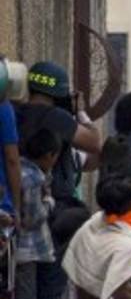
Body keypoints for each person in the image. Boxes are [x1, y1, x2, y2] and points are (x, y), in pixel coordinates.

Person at [15, 61, 104, 208]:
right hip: (54, 201)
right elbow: (94, 142)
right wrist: (80, 111)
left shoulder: (13, 112)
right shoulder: (57, 117)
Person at [11, 128, 60, 299]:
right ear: (49, 155)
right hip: (28, 249)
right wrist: (49, 202)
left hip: (20, 249)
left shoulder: (19, 168)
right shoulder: (33, 178)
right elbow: (32, 217)